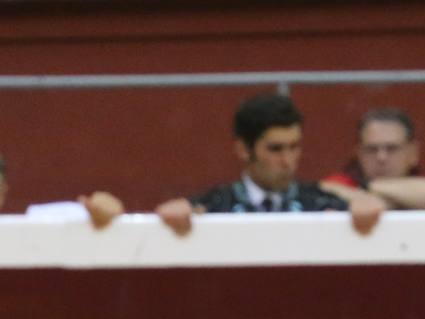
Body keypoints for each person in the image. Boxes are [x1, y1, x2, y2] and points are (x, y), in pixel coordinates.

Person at [157, 92, 385, 235]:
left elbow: (370, 211)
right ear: (244, 150)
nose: (288, 161)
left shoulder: (323, 203)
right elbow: (172, 214)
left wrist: (365, 206)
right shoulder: (211, 206)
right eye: (275, 149)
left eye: (294, 147)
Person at [319, 108, 425, 209]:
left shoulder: (421, 186)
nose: (381, 157)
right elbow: (323, 190)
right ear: (359, 153)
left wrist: (367, 188)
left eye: (392, 149)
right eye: (371, 149)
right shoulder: (341, 183)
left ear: (413, 153)